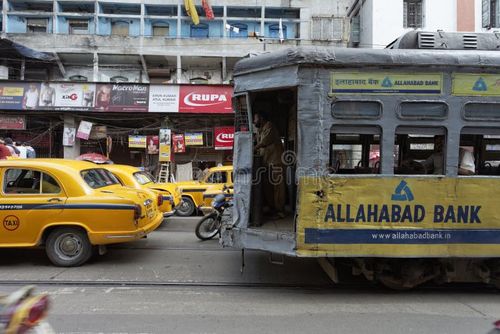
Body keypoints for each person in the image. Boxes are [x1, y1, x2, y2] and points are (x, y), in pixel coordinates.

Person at [254, 111, 286, 219]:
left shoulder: (269, 126)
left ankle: (280, 211)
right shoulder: (260, 130)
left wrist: (254, 147)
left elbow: (264, 142)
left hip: (276, 162)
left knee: (278, 188)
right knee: (268, 187)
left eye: (255, 119)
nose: (254, 121)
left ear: (261, 118)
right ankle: (273, 208)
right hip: (268, 162)